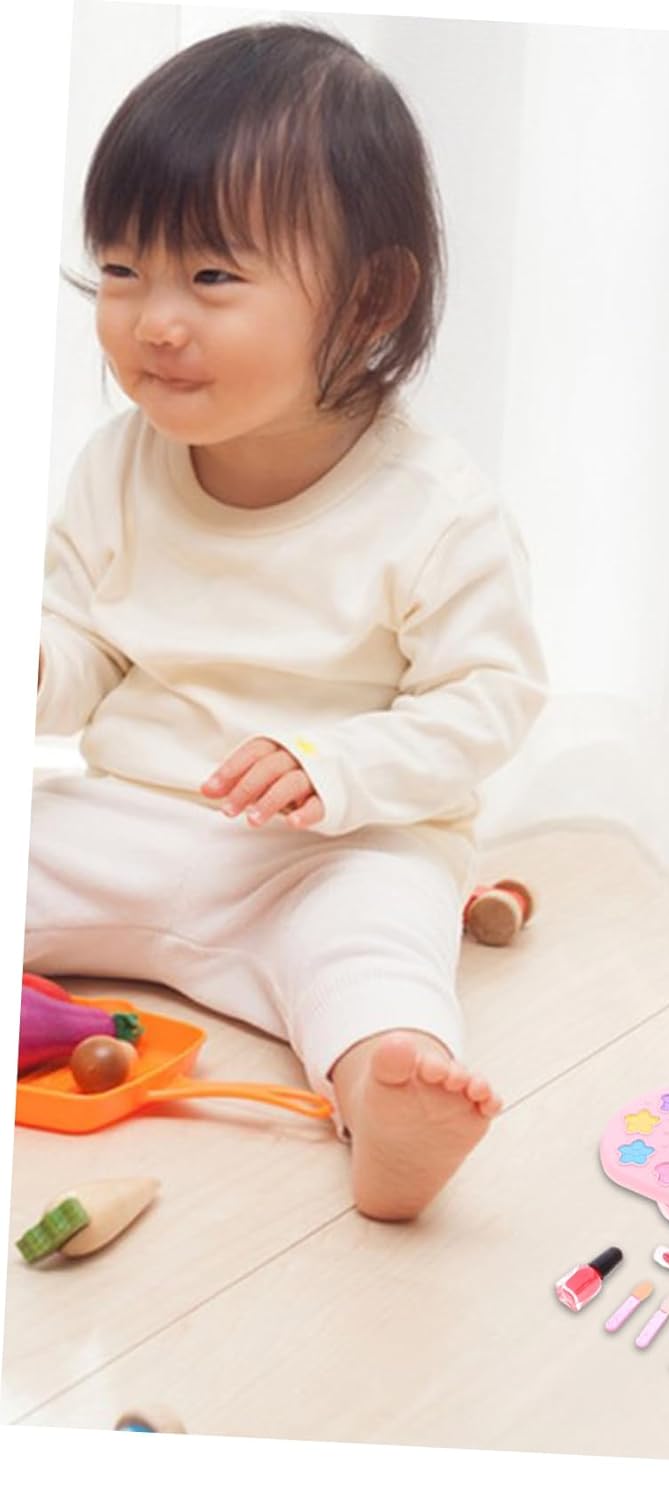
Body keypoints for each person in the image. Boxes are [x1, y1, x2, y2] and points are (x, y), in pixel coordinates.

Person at [27, 22, 547, 1220]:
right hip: (124, 820)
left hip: (328, 850)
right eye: (122, 267)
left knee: (373, 944)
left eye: (212, 277)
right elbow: (84, 642)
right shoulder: (118, 463)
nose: (155, 320)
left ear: (369, 298)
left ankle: (386, 1097)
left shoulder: (434, 507)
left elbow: (489, 702)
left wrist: (336, 767)